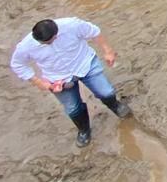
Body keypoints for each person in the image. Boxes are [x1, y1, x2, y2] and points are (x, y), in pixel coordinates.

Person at [9, 17, 130, 147]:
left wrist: (108, 51)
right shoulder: (26, 47)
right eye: (45, 43)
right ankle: (84, 130)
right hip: (58, 78)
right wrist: (39, 82)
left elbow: (94, 32)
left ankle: (115, 106)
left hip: (85, 63)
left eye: (51, 40)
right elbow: (17, 64)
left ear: (56, 33)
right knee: (73, 108)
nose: (50, 44)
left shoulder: (72, 25)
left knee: (106, 92)